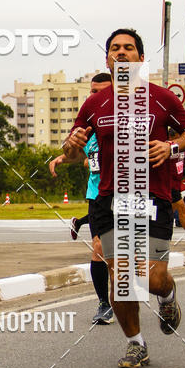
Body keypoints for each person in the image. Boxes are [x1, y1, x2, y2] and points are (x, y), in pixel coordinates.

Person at [63, 29, 185, 368]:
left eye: (128, 48)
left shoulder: (161, 98)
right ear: (107, 59)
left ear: (140, 57)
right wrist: (72, 145)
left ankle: (167, 295)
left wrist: (170, 147)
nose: (121, 53)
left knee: (151, 279)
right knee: (122, 279)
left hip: (153, 197)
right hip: (110, 200)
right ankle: (136, 343)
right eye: (115, 49)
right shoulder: (95, 103)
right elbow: (69, 151)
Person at [49, 73, 114, 324]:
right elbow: (76, 153)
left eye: (99, 92)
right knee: (98, 248)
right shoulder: (88, 123)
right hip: (97, 196)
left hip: (128, 194)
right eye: (91, 91)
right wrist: (63, 155)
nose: (93, 97)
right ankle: (104, 304)